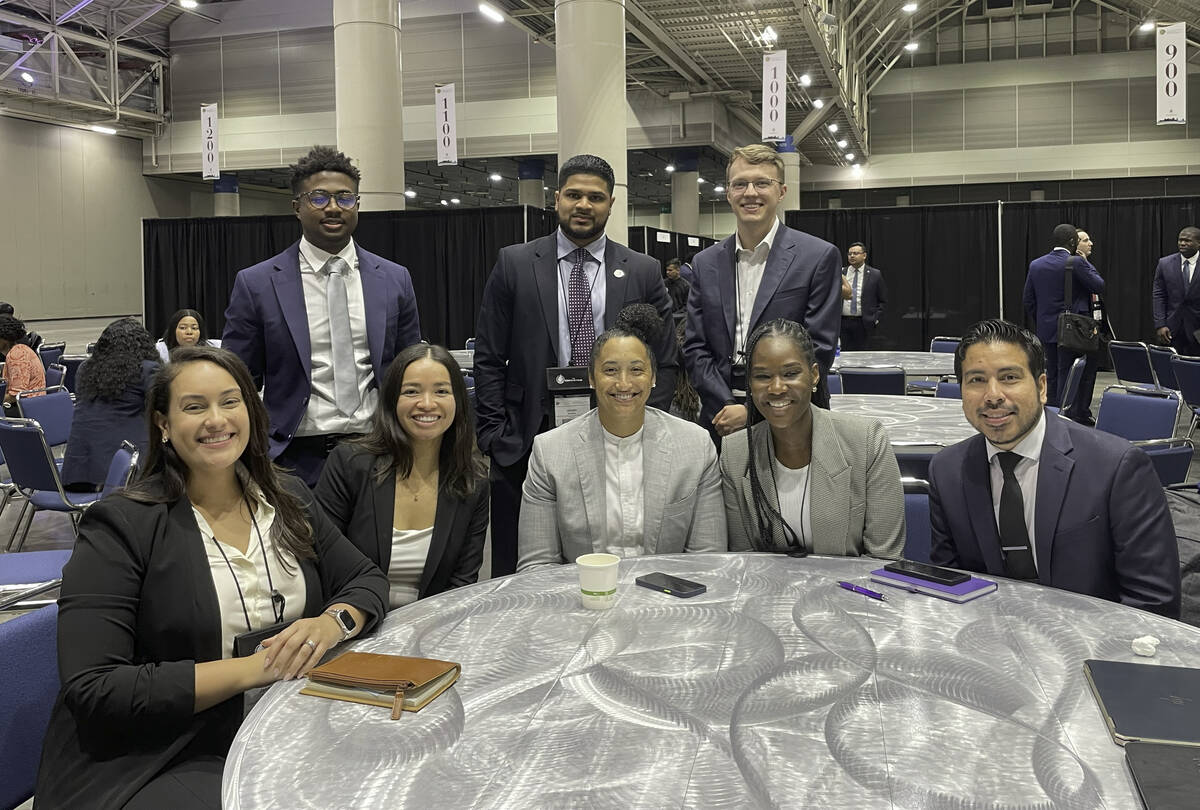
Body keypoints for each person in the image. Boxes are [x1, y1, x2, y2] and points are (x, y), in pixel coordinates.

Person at [34, 346, 388, 809]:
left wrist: (331, 623)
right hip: (162, 752)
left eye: (230, 401)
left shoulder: (287, 499)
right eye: (194, 407)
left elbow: (365, 579)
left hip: (287, 719)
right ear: (163, 424)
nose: (216, 419)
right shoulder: (122, 525)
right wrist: (260, 668)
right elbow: (96, 688)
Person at [474, 153, 677, 577]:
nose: (584, 205)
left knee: (611, 551)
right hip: (527, 437)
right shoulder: (514, 263)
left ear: (610, 205)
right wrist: (493, 434)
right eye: (574, 195)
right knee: (522, 565)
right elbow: (489, 356)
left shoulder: (642, 270)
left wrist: (642, 422)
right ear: (556, 199)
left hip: (617, 432)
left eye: (596, 197)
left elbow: (666, 360)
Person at [928, 319, 1180, 618]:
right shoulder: (948, 471)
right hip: (989, 645)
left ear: (1042, 386)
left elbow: (1153, 603)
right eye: (976, 380)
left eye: (1009, 377)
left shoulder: (1116, 467)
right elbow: (948, 588)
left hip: (1093, 647)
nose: (993, 395)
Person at [222, 145, 422, 487]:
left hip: (378, 452)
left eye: (345, 198)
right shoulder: (256, 284)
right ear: (296, 207)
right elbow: (236, 382)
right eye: (319, 198)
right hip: (292, 459)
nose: (333, 208)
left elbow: (410, 371)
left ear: (357, 206)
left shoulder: (394, 279)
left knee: (374, 544)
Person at [517, 305, 724, 571]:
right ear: (592, 378)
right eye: (611, 371)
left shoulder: (695, 446)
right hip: (583, 602)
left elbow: (708, 560)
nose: (624, 384)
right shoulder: (551, 452)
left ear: (653, 378)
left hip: (668, 604)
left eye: (636, 370)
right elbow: (538, 565)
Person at [683, 143, 841, 438]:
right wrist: (726, 404)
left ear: (781, 192)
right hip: (720, 418)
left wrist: (753, 410)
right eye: (740, 184)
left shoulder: (818, 257)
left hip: (791, 417)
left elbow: (817, 349)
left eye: (762, 183)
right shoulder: (705, 263)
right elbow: (695, 347)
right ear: (729, 193)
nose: (750, 192)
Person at [316, 344, 488, 609]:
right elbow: (323, 567)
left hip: (432, 629)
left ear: (459, 401)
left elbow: (461, 584)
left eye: (441, 391)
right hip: (349, 623)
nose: (427, 403)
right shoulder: (349, 464)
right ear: (392, 399)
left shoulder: (473, 481)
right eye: (411, 392)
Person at [721, 318, 904, 557]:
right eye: (762, 376)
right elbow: (743, 560)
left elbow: (883, 559)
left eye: (791, 373)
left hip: (852, 592)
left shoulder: (867, 441)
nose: (776, 388)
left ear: (814, 375)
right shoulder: (735, 454)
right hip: (769, 592)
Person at [61, 318, 160, 491]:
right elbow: (164, 407)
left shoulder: (85, 368)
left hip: (79, 469)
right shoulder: (146, 369)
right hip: (126, 473)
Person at [1022, 223, 1104, 424]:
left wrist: (1043, 320)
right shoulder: (1076, 262)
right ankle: (1068, 417)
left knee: (1051, 374)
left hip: (1046, 329)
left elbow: (1028, 300)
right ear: (1073, 242)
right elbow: (1099, 285)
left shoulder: (1036, 264)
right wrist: (1086, 262)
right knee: (1071, 374)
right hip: (1072, 330)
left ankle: (1050, 416)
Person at [1152, 225, 1200, 356]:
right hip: (1172, 328)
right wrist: (1160, 324)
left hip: (1197, 328)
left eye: (1188, 240)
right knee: (1173, 369)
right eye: (1180, 240)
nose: (1182, 243)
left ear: (1198, 243)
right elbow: (1159, 295)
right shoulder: (1164, 263)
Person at [839, 242, 887, 352]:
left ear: (864, 255)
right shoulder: (841, 272)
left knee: (863, 354)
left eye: (855, 253)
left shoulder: (875, 274)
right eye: (850, 253)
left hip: (864, 323)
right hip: (842, 322)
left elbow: (882, 300)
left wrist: (875, 318)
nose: (852, 256)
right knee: (844, 354)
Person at [0, 314, 45, 411]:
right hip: (34, 404)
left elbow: (16, 395)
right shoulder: (21, 349)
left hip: (27, 409)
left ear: (4, 338)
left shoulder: (16, 356)